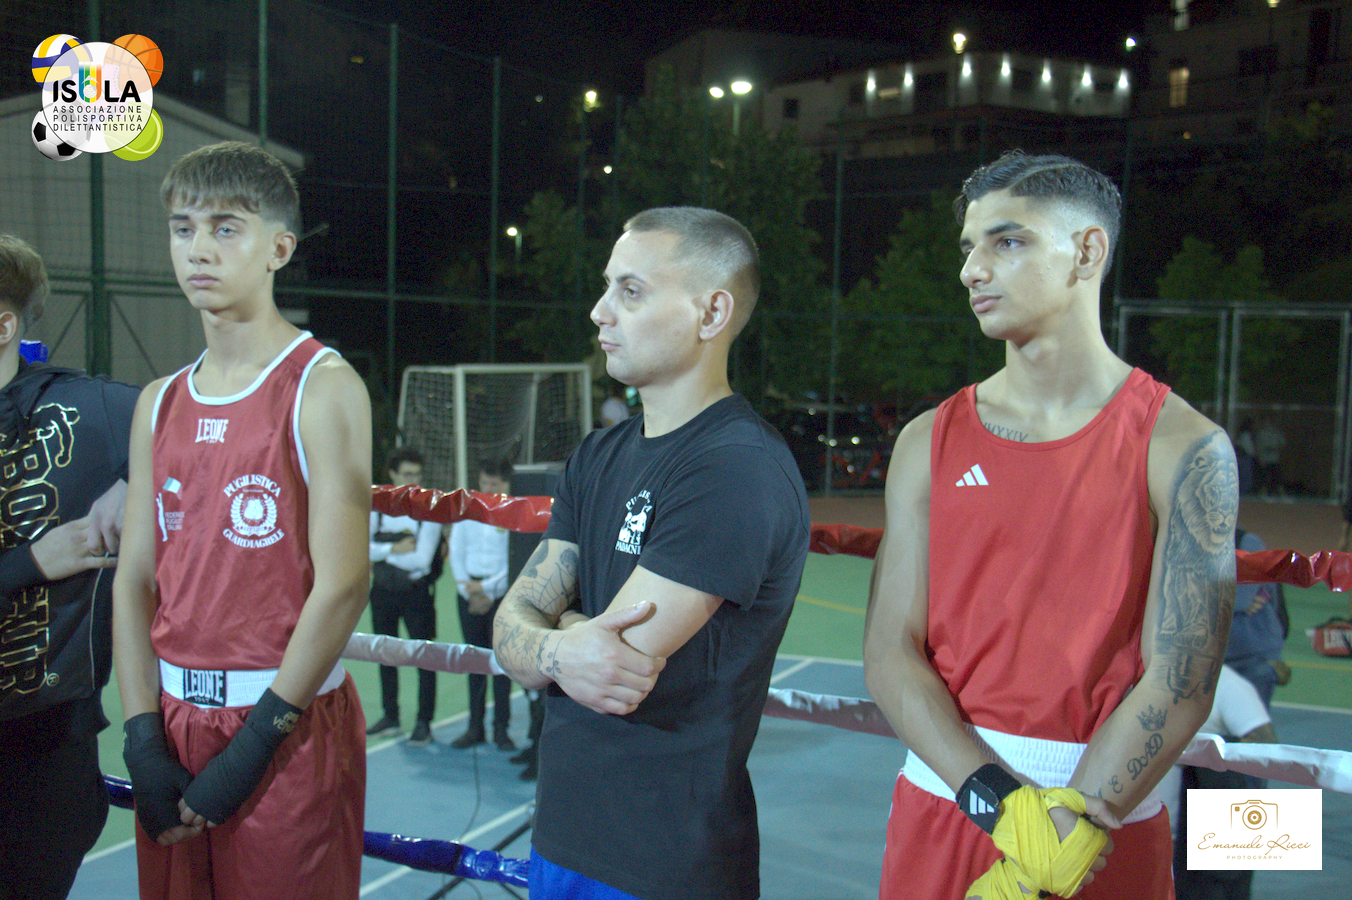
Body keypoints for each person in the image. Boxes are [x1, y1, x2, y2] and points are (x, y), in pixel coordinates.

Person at [863, 151, 1237, 900]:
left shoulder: (1185, 447)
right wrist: (1001, 807)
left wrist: (1070, 829)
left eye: (1007, 241)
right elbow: (889, 649)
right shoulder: (926, 440)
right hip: (952, 805)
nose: (972, 269)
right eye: (969, 247)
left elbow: (1182, 677)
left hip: (1102, 819)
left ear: (1087, 252)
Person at [492, 207, 810, 900]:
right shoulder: (599, 453)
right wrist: (564, 644)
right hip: (563, 840)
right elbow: (508, 632)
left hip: (665, 865)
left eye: (631, 291)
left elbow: (616, 664)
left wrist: (553, 633)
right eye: (608, 287)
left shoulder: (735, 466)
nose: (600, 311)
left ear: (711, 312)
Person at [113, 141, 372, 900]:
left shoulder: (322, 385)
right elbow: (134, 580)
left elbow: (344, 582)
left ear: (278, 249)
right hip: (173, 725)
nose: (199, 248)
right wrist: (140, 736)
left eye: (226, 228)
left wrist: (259, 739)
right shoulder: (157, 402)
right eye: (183, 228)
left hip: (284, 726)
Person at [0, 235, 139, 900]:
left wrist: (141, 478)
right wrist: (31, 561)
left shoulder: (88, 408)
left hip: (45, 758)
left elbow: (215, 424)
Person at [366, 446, 444, 746]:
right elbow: (362, 547)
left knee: (424, 656)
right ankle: (391, 716)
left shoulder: (429, 510)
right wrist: (394, 549)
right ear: (393, 475)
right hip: (382, 592)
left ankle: (424, 722)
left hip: (416, 594)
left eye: (417, 474)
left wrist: (381, 555)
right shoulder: (377, 508)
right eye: (407, 474)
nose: (413, 481)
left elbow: (422, 560)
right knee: (384, 653)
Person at [448, 456, 516, 751]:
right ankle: (475, 728)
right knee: (475, 662)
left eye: (495, 483)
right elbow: (456, 552)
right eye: (485, 482)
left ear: (507, 484)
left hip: (500, 595)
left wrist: (488, 590)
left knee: (502, 665)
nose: (489, 488)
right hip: (469, 593)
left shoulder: (514, 513)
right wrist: (469, 591)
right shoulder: (468, 511)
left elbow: (513, 559)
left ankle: (501, 730)